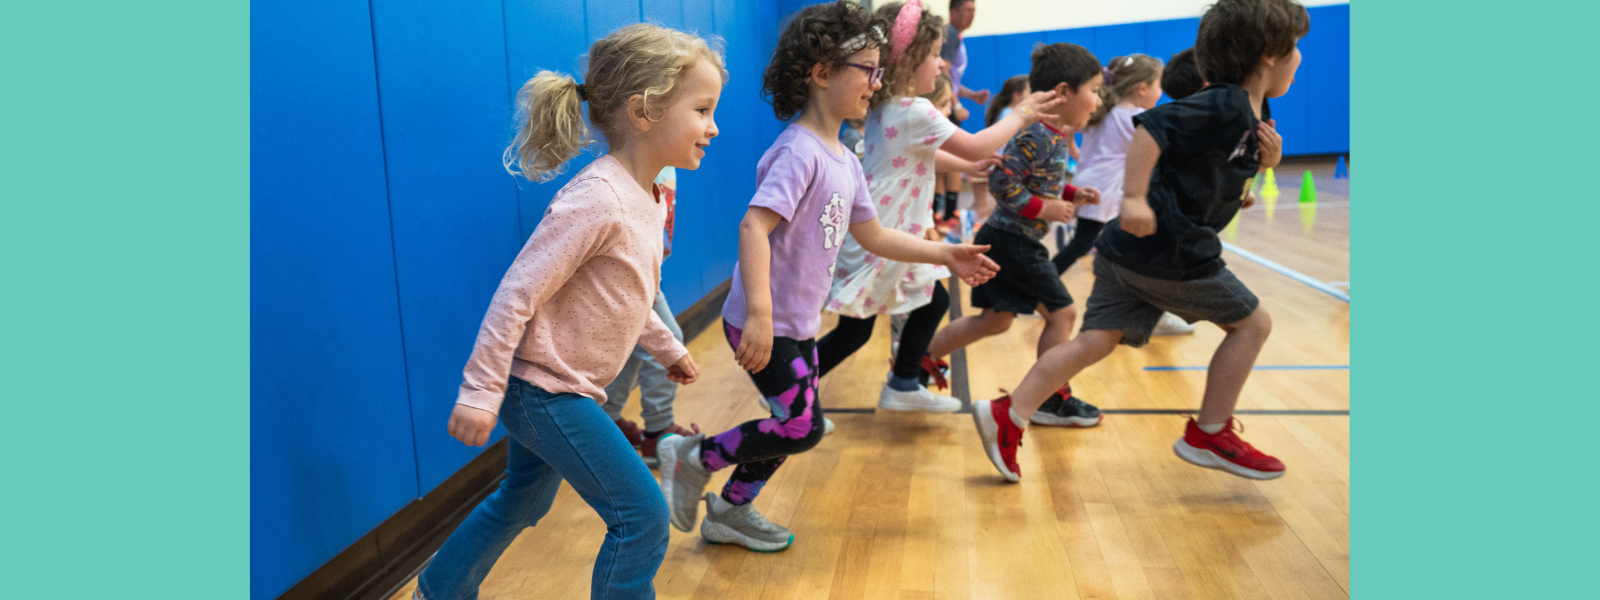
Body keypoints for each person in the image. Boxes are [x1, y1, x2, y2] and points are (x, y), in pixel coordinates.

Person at [656, 0, 1000, 552]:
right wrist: (762, 317)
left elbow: (875, 236)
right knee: (803, 425)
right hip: (761, 323)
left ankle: (728, 510)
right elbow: (753, 226)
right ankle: (695, 458)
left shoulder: (841, 154)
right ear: (822, 73)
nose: (876, 81)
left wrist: (947, 255)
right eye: (867, 69)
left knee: (792, 421)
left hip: (794, 323)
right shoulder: (799, 152)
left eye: (881, 69)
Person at [413, 24, 720, 600]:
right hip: (543, 392)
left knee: (521, 501)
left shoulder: (649, 195)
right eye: (702, 110)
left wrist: (667, 347)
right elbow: (516, 295)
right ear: (643, 111)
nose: (713, 126)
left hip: (564, 389)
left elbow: (626, 295)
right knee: (642, 517)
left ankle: (440, 588)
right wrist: (480, 391)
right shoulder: (596, 198)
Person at [970, 0, 1306, 483]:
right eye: (1295, 47)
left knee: (1094, 340)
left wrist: (1265, 166)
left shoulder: (1252, 109)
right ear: (1270, 53)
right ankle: (1210, 432)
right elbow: (1153, 127)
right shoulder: (1225, 101)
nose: (1300, 58)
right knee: (1253, 325)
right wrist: (1132, 197)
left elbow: (1214, 170)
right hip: (1170, 250)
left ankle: (1012, 413)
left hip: (1122, 251)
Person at [818, 0, 1061, 412]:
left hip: (891, 232)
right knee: (854, 332)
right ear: (908, 61)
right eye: (934, 56)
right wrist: (1019, 115)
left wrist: (970, 167)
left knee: (932, 301)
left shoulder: (885, 107)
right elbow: (977, 141)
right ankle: (791, 395)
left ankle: (904, 383)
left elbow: (916, 156)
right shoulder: (915, 110)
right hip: (885, 235)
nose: (943, 66)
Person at [924, 41, 1107, 427]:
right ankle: (1050, 399)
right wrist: (1046, 209)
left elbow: (1037, 181)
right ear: (1062, 93)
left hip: (1007, 238)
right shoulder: (1036, 135)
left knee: (996, 319)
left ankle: (914, 361)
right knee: (1064, 314)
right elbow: (1002, 183)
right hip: (1014, 241)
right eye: (1093, 89)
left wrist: (1072, 193)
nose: (1097, 99)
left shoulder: (1053, 136)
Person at [1050, 54, 1197, 337]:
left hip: (1092, 183)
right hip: (1104, 190)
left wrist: (1079, 157)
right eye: (1159, 85)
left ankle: (1148, 312)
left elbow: (1066, 131)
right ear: (1142, 88)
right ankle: (1039, 288)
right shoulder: (1135, 119)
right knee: (1113, 247)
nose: (1161, 91)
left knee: (1100, 246)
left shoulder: (1102, 110)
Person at [604, 167, 705, 467]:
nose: (712, 128)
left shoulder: (664, 161)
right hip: (631, 280)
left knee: (638, 346)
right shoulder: (630, 171)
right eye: (701, 115)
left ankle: (606, 420)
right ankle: (658, 432)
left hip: (649, 275)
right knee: (667, 340)